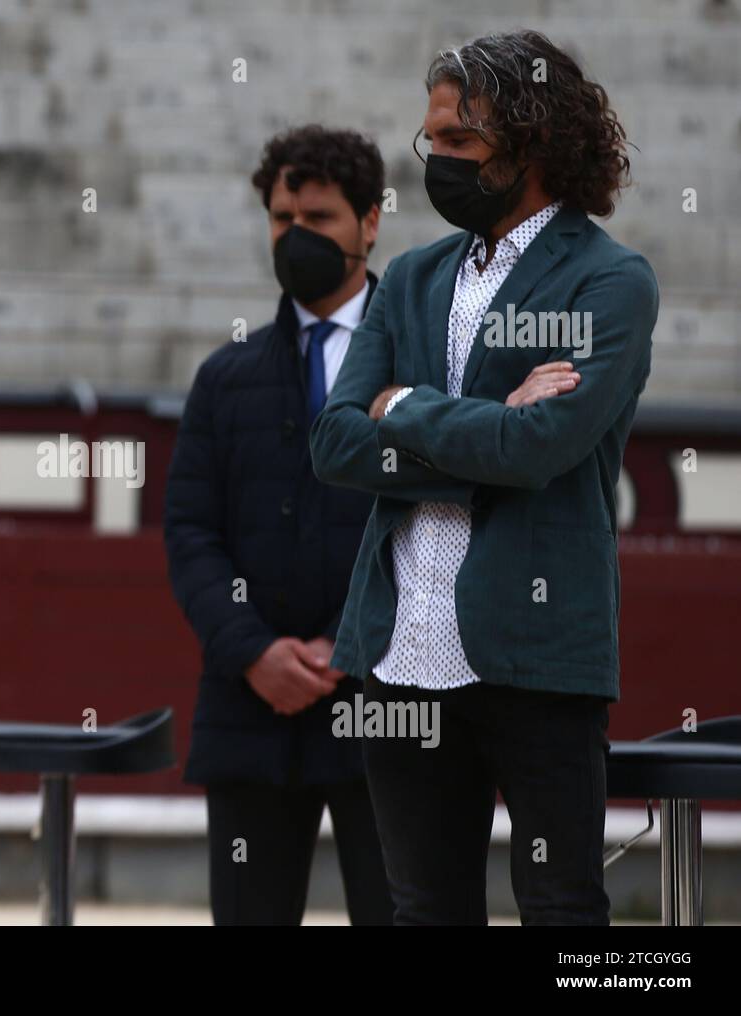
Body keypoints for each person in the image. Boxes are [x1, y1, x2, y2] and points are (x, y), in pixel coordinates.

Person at [310, 30, 658, 925]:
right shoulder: (412, 278)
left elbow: (541, 447)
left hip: (537, 655)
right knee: (423, 909)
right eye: (435, 142)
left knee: (561, 909)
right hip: (398, 650)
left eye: (459, 143)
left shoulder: (611, 281)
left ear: (532, 142)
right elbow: (337, 444)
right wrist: (489, 425)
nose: (437, 161)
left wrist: (405, 408)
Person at [164, 126, 393, 925]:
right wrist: (253, 650)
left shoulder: (424, 367)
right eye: (282, 217)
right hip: (249, 708)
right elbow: (190, 535)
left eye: (320, 217)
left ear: (370, 223)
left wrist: (346, 644)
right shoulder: (226, 377)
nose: (297, 236)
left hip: (386, 705)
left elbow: (441, 528)